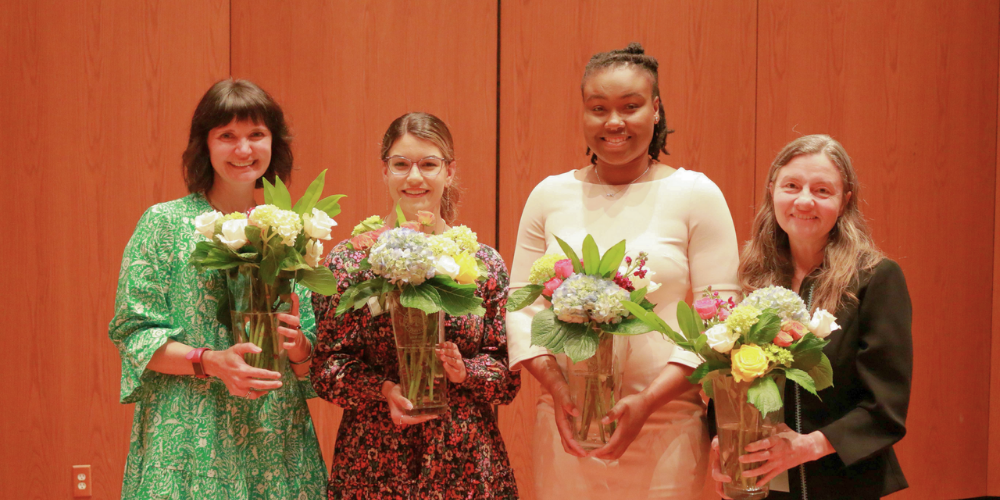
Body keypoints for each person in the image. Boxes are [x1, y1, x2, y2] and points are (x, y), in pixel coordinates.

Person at [506, 43, 740, 499]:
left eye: (630, 107)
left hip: (667, 424)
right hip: (569, 426)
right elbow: (521, 306)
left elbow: (720, 316)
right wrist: (557, 389)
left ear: (656, 110)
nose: (613, 122)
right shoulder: (548, 195)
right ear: (584, 115)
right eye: (599, 109)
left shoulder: (696, 194)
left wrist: (648, 400)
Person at [108, 79, 327, 498]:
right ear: (204, 146)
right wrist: (211, 362)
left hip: (275, 434)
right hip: (189, 431)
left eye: (256, 135)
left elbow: (310, 361)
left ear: (272, 144)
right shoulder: (163, 224)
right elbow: (134, 333)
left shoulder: (290, 230)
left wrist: (298, 343)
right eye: (227, 136)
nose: (243, 150)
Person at [310, 112, 520, 499]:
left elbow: (508, 377)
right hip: (372, 462)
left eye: (429, 164)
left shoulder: (482, 264)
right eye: (401, 165)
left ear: (449, 172)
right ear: (385, 172)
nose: (414, 178)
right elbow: (326, 369)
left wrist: (466, 372)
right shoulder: (351, 261)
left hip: (466, 463)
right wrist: (383, 389)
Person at [710, 134, 912, 499]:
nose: (804, 201)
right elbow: (727, 380)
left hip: (841, 485)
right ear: (772, 190)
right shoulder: (748, 277)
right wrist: (720, 442)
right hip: (760, 485)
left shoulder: (875, 278)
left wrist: (808, 446)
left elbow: (886, 408)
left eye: (822, 190)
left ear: (845, 201)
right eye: (791, 185)